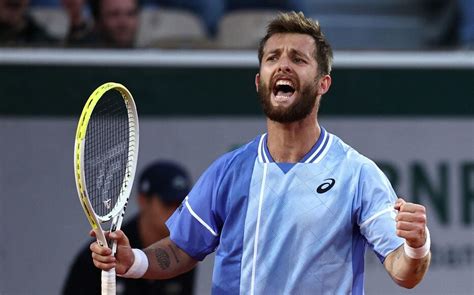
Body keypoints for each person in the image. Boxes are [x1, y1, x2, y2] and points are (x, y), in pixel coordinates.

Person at [90, 12, 431, 294]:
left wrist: (417, 245)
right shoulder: (229, 171)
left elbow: (405, 272)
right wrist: (132, 261)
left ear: (323, 83)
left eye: (298, 59)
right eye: (273, 58)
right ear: (259, 81)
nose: (283, 66)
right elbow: (181, 248)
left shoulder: (357, 174)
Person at [63, 160, 196, 295]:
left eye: (181, 205)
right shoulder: (101, 257)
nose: (176, 212)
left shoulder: (182, 254)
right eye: (168, 204)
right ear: (143, 200)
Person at [62, 0, 139, 48]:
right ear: (98, 21)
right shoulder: (80, 55)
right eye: (114, 14)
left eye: (130, 14)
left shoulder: (148, 56)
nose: (123, 23)